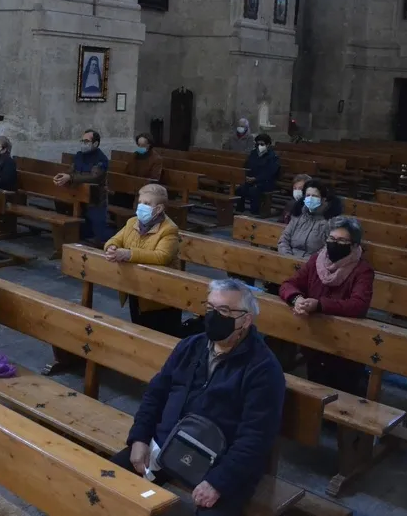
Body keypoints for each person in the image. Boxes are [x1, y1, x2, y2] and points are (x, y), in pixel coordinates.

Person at [112, 279, 285, 515]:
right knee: (106, 486)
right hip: (165, 444)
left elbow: (256, 437)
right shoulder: (191, 346)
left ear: (246, 320)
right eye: (210, 308)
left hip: (220, 463)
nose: (214, 316)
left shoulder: (263, 369)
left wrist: (218, 481)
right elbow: (156, 393)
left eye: (224, 311)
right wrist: (140, 437)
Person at [279, 217, 374, 396]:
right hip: (315, 334)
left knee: (343, 389)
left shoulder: (362, 270)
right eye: (331, 239)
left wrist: (320, 305)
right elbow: (288, 284)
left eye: (341, 241)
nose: (334, 243)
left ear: (353, 245)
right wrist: (297, 299)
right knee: (316, 381)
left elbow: (358, 305)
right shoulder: (316, 260)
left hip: (345, 340)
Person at [104, 184, 182, 335]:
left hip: (161, 294)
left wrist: (128, 254)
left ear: (159, 209)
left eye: (147, 204)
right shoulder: (132, 222)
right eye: (140, 202)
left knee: (160, 336)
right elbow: (116, 239)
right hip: (136, 287)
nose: (141, 206)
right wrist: (111, 247)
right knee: (139, 331)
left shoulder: (169, 229)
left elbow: (162, 256)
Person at [54, 130, 109, 243]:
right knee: (60, 202)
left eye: (86, 141)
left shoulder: (101, 159)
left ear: (95, 144)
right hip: (78, 193)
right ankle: (72, 236)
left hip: (95, 197)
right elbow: (72, 169)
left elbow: (94, 177)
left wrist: (71, 177)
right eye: (82, 141)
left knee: (100, 233)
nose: (83, 143)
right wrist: (64, 175)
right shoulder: (79, 155)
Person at [277, 179, 343, 258]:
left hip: (312, 264)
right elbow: (284, 239)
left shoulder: (330, 222)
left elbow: (327, 250)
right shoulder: (298, 216)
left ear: (323, 199)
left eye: (315, 196)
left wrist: (308, 263)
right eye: (308, 195)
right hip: (289, 258)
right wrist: (288, 257)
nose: (310, 198)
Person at [236, 133, 281, 214]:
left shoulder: (272, 156)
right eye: (257, 144)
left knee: (254, 190)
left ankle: (254, 212)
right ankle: (239, 210)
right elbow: (247, 165)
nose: (259, 146)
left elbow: (270, 172)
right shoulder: (253, 153)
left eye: (262, 144)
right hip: (251, 179)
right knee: (241, 188)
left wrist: (256, 179)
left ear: (268, 145)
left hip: (266, 182)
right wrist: (246, 176)